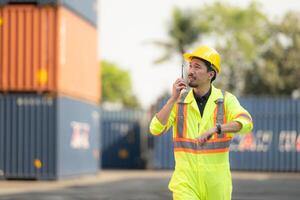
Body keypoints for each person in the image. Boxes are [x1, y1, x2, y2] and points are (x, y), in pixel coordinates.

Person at [149, 45, 253, 200]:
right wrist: (172, 99)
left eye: (197, 67)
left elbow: (246, 122)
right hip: (185, 184)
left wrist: (217, 128)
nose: (190, 71)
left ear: (210, 74)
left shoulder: (226, 100)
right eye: (190, 66)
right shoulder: (178, 102)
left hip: (217, 186)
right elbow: (155, 129)